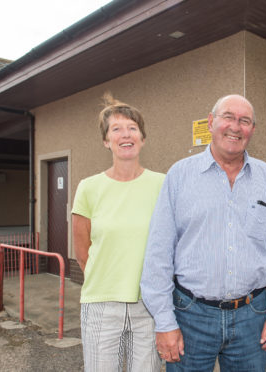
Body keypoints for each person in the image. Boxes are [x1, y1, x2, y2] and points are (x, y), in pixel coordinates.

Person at [140, 94, 266, 371]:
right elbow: (159, 252)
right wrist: (165, 322)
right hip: (190, 315)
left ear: (253, 129)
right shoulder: (180, 176)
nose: (235, 127)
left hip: (253, 316)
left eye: (245, 121)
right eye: (228, 117)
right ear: (211, 122)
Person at [71, 93, 164, 371]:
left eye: (132, 128)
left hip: (149, 304)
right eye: (117, 129)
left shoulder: (162, 184)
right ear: (106, 141)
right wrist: (108, 283)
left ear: (143, 138)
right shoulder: (88, 187)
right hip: (101, 304)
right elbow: (82, 252)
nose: (126, 134)